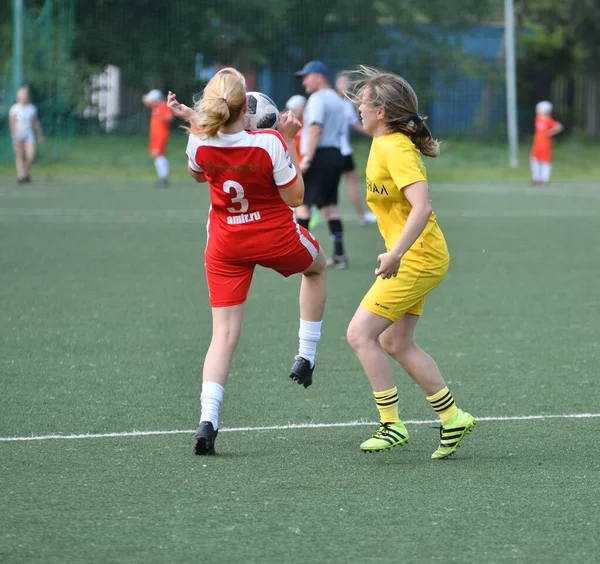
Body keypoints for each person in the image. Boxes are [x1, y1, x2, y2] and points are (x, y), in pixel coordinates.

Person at [166, 68, 327, 456]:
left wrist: (195, 122)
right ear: (247, 108)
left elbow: (198, 175)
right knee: (317, 267)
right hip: (274, 236)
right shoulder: (269, 142)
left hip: (226, 245)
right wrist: (288, 141)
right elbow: (295, 198)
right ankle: (306, 355)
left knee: (222, 335)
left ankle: (208, 421)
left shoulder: (199, 143)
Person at [345, 66, 475, 459]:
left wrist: (396, 253)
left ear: (381, 110)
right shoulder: (382, 143)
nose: (359, 110)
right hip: (416, 256)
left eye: (363, 103)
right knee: (395, 341)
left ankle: (392, 424)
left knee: (360, 334)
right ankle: (453, 419)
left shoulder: (396, 147)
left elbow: (423, 206)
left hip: (418, 257)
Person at [295, 60, 348, 269]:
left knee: (303, 204)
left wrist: (307, 157)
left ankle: (299, 255)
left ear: (319, 76)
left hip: (318, 155)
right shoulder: (337, 99)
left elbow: (315, 129)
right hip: (335, 154)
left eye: (307, 77)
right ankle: (340, 255)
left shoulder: (317, 98)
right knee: (330, 206)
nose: (304, 82)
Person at [335, 72, 377, 227]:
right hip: (338, 151)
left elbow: (355, 124)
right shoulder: (335, 102)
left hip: (341, 151)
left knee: (348, 182)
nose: (345, 86)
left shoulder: (346, 103)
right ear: (336, 84)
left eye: (347, 83)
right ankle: (362, 216)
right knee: (333, 185)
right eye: (342, 82)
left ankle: (362, 215)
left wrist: (375, 133)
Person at [9, 86, 44, 184]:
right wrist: (14, 137)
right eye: (21, 94)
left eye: (24, 94)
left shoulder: (31, 108)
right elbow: (12, 124)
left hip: (29, 135)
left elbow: (35, 122)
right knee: (19, 155)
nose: (23, 96)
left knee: (31, 156)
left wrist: (40, 135)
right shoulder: (14, 109)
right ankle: (21, 175)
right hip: (18, 136)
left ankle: (25, 173)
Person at [142, 89, 173, 187]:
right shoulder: (155, 106)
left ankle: (164, 177)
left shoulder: (163, 106)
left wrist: (161, 115)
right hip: (155, 135)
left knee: (158, 154)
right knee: (157, 155)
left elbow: (170, 118)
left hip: (161, 134)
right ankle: (163, 177)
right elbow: (144, 99)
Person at [530, 100, 563, 185]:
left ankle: (544, 178)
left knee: (545, 161)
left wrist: (551, 132)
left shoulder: (549, 120)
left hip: (545, 144)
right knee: (534, 160)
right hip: (537, 144)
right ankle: (536, 177)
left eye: (540, 109)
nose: (538, 111)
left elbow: (559, 126)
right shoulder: (537, 118)